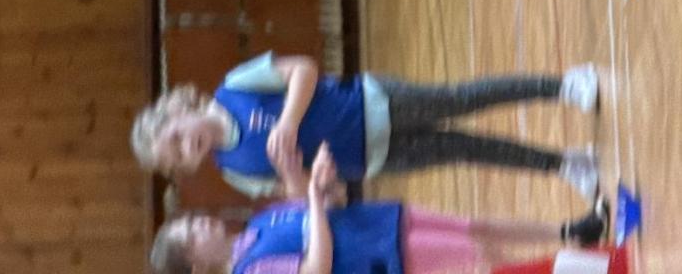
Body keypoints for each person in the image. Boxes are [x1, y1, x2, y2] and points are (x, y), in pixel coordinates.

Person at [130, 54, 601, 199]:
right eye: (180, 155)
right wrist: (296, 174)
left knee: (463, 99)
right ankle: (565, 164)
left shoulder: (235, 85)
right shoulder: (237, 170)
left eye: (177, 137)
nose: (188, 146)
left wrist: (289, 121)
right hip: (375, 158)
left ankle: (563, 86)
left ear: (178, 110)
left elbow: (304, 70)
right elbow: (306, 196)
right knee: (467, 150)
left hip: (375, 103)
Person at [150, 146, 607, 274]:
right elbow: (316, 265)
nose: (200, 223)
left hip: (379, 220)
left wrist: (323, 181)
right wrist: (314, 201)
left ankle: (573, 231)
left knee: (476, 226)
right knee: (481, 253)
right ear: (196, 263)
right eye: (191, 234)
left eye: (191, 221)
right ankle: (587, 265)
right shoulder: (251, 268)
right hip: (384, 256)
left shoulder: (259, 223)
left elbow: (329, 205)